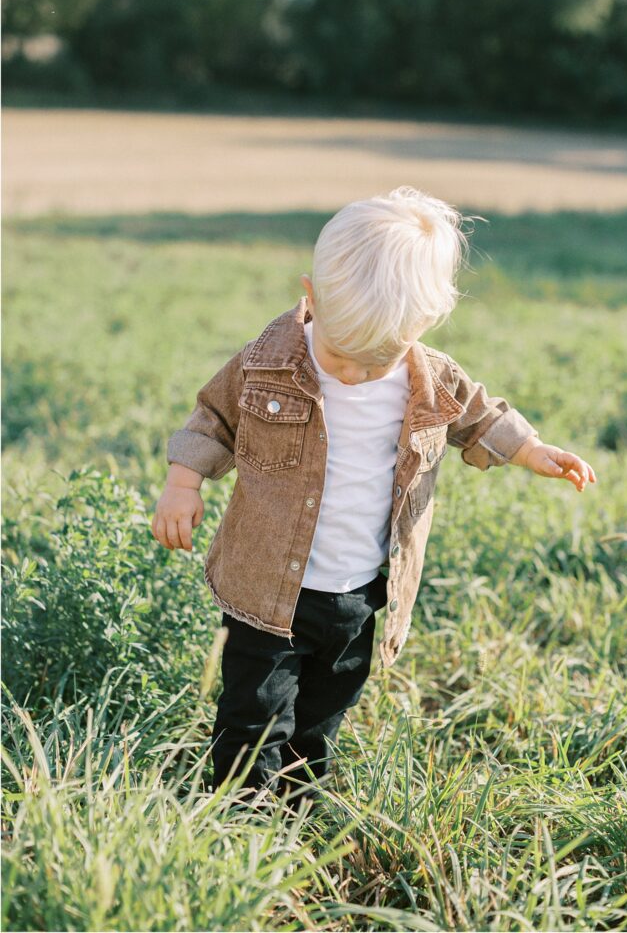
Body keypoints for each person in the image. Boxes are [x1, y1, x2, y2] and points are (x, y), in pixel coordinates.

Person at [151, 186, 597, 805]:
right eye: (342, 355)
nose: (357, 374)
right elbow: (212, 420)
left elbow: (480, 416)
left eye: (378, 360)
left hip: (358, 594)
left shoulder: (429, 380)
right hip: (265, 591)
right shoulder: (266, 363)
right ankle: (238, 822)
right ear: (311, 297)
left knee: (321, 718)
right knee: (254, 717)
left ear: (420, 329)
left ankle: (300, 807)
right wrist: (183, 483)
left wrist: (530, 450)